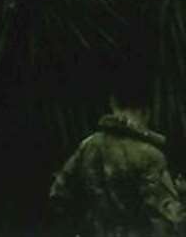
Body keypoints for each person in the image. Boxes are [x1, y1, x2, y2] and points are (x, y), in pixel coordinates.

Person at [49, 90, 184, 234]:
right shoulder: (149, 155)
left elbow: (58, 193)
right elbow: (166, 216)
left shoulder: (87, 146)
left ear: (113, 106)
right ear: (146, 112)